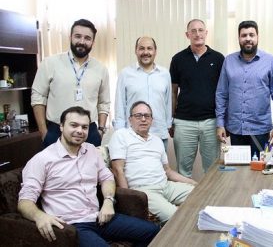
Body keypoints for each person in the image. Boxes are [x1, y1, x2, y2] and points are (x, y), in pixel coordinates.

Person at [18, 106, 159, 246]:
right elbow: (24, 201)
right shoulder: (42, 159)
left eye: (84, 127)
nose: (79, 131)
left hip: (99, 218)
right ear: (61, 126)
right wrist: (39, 216)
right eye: (74, 125)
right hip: (73, 226)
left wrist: (108, 201)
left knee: (153, 231)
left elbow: (107, 178)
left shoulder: (91, 150)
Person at [109, 101, 197, 224]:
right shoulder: (121, 135)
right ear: (130, 119)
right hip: (145, 191)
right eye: (138, 116)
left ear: (152, 120)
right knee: (174, 216)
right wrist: (129, 199)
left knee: (201, 194)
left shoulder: (157, 140)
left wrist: (194, 183)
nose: (143, 119)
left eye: (147, 116)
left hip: (166, 186)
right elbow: (118, 170)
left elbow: (168, 171)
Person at [31, 19, 110, 148]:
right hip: (56, 131)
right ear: (70, 37)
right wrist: (44, 132)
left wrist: (100, 130)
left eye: (87, 38)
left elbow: (104, 102)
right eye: (77, 36)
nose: (82, 42)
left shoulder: (101, 69)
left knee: (89, 168)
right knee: (56, 168)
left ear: (93, 42)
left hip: (89, 132)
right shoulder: (50, 63)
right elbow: (37, 97)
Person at [216, 20, 273, 156]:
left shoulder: (270, 62)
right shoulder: (229, 61)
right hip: (236, 129)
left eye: (251, 35)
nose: (248, 39)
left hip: (261, 130)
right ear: (239, 38)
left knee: (259, 171)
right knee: (238, 171)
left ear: (257, 37)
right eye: (244, 35)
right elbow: (222, 94)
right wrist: (220, 124)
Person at [169, 19, 225, 177]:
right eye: (193, 31)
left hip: (211, 122)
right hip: (184, 122)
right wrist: (171, 118)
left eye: (201, 30)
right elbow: (173, 91)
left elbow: (224, 93)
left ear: (206, 33)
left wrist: (222, 121)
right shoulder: (178, 59)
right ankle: (186, 201)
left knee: (212, 171)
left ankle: (211, 201)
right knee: (183, 171)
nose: (197, 34)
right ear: (187, 35)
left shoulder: (219, 59)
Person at [114, 36, 172, 150]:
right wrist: (120, 133)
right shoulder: (125, 74)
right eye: (141, 48)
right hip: (133, 136)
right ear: (136, 51)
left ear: (155, 51)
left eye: (149, 48)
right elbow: (120, 105)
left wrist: (168, 126)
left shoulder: (165, 74)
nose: (146, 52)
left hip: (159, 134)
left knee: (159, 167)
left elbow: (168, 102)